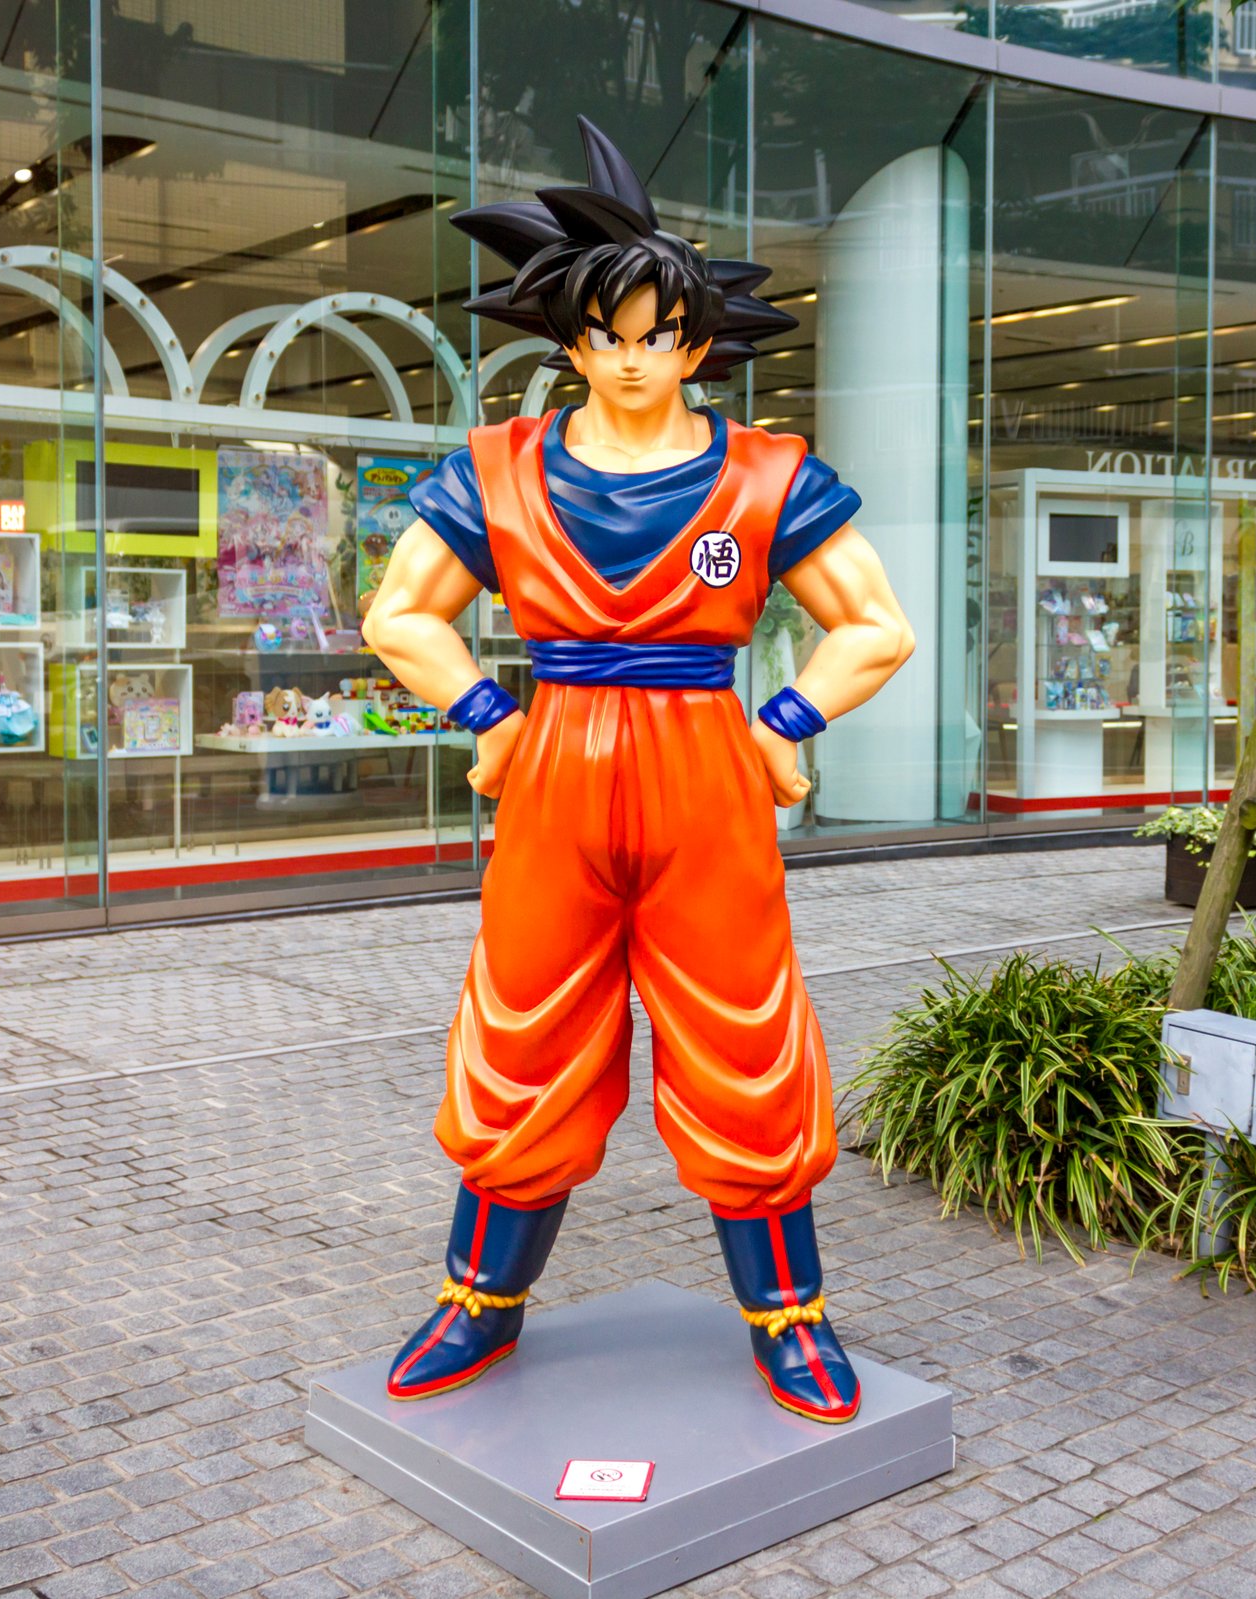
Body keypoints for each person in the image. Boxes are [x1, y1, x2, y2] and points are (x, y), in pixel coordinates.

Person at [361, 117, 916, 1423]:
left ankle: (789, 1314)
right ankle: (478, 1299)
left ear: (697, 341)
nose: (631, 357)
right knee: (524, 1030)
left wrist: (781, 724)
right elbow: (400, 614)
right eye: (606, 333)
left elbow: (876, 627)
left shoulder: (768, 477)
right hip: (557, 771)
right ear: (567, 339)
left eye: (658, 333)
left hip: (704, 775)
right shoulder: (494, 474)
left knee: (743, 1035)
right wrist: (490, 714)